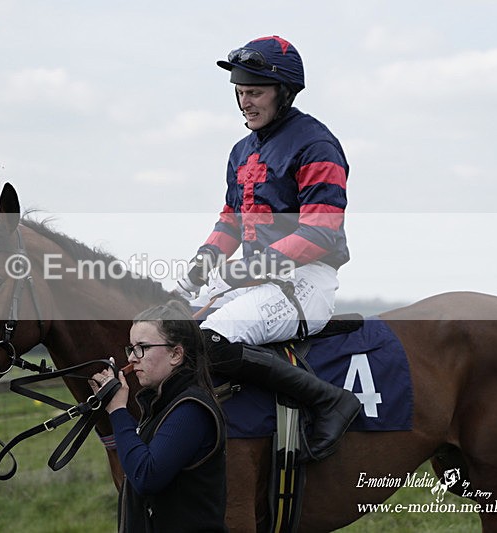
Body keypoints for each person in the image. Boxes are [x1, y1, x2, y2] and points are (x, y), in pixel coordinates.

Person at [175, 35, 361, 463]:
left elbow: (321, 231)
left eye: (254, 92)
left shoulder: (317, 144)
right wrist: (199, 269)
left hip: (304, 284)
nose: (245, 102)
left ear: (285, 92)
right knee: (170, 330)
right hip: (256, 278)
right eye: (240, 92)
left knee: (206, 340)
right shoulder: (241, 151)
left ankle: (331, 401)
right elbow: (230, 221)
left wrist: (249, 269)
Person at [90, 300, 228, 532]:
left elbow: (146, 475)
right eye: (131, 348)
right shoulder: (164, 404)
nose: (132, 358)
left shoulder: (191, 410)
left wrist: (118, 410)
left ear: (175, 354)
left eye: (141, 347)